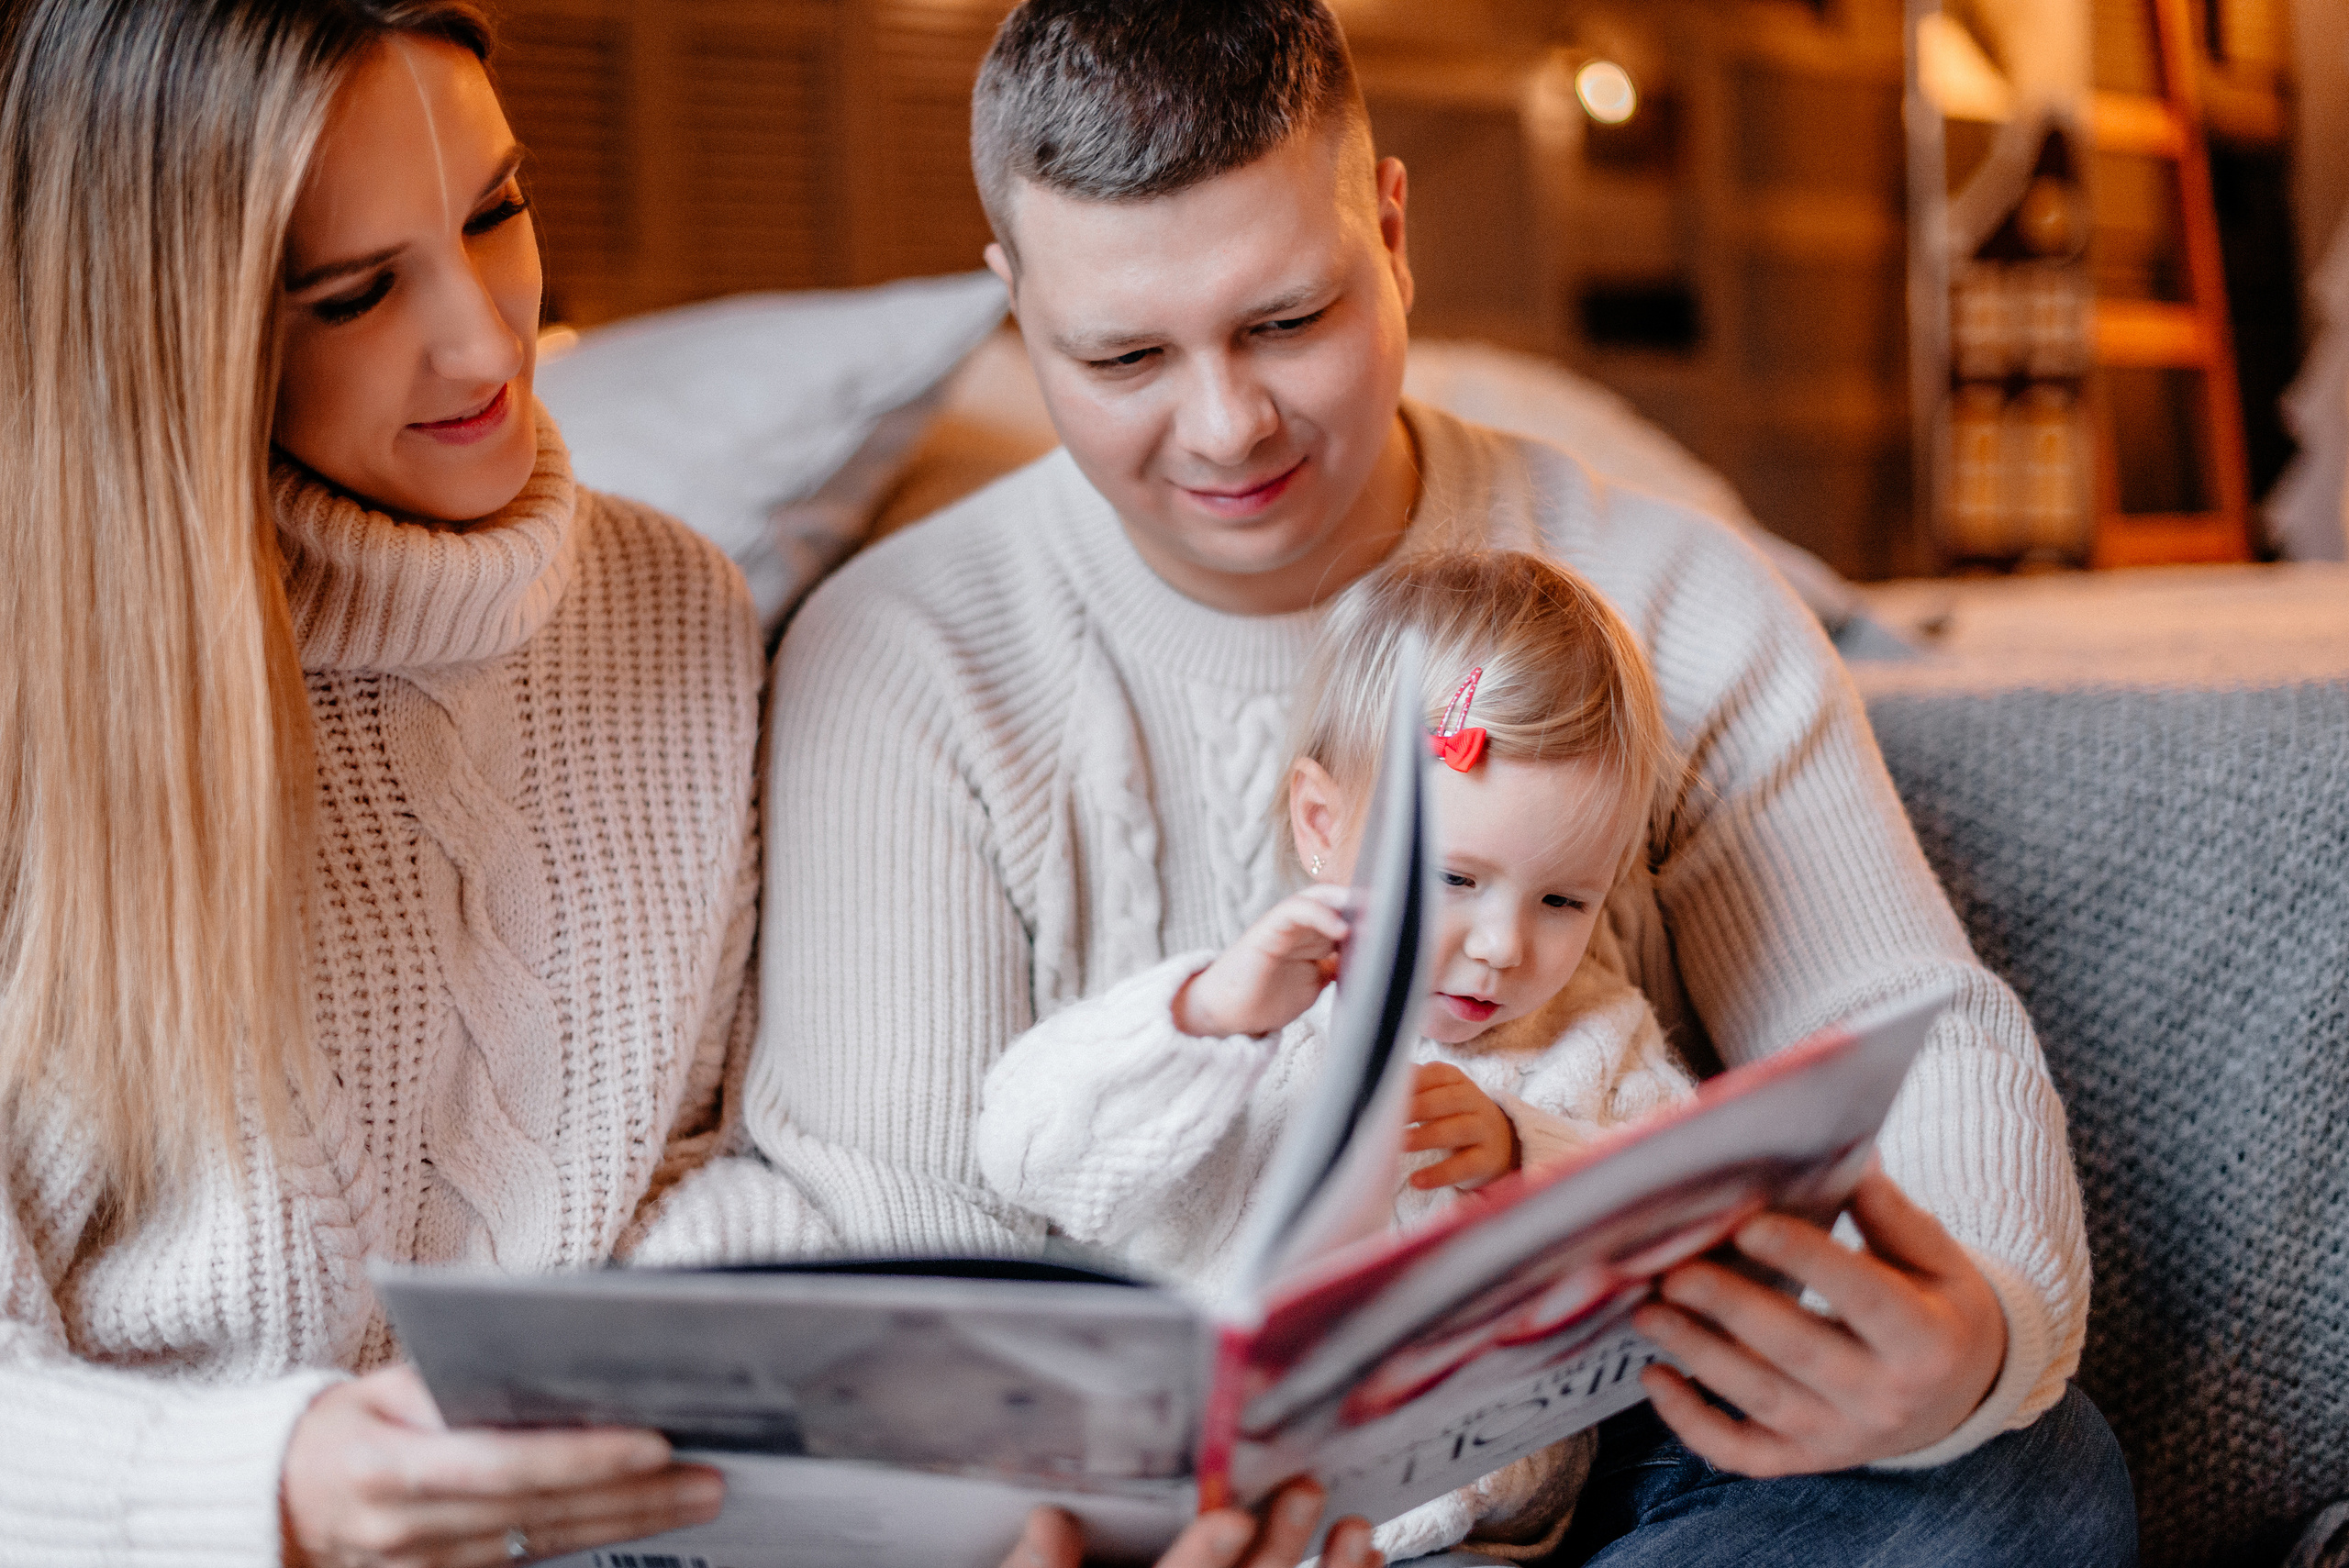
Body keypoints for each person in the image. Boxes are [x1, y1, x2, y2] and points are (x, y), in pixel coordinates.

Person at [754, 1, 2134, 1562]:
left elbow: (1894, 1013)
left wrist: (1981, 1332)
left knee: (2027, 1473)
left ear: (1392, 230)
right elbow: (911, 1215)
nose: (1227, 426)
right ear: (1017, 304)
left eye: (1287, 320)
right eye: (1126, 353)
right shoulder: (904, 649)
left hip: (1603, 1466)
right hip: (1184, 1510)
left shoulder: (1671, 590)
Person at [0, 5, 843, 1563]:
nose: (484, 337)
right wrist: (275, 1481)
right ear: (171, 334)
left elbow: (713, 1154)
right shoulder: (32, 695)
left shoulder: (678, 609)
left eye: (494, 212)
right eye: (356, 292)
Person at [976, 549, 1699, 1562]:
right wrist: (1206, 1019)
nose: (1501, 943)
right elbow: (1024, 1148)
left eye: (1562, 899)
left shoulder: (1597, 1037)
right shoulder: (1245, 1005)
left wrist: (1527, 1151)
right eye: (1455, 876)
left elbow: (1695, 1220)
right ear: (1322, 822)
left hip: (1454, 1537)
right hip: (1187, 1517)